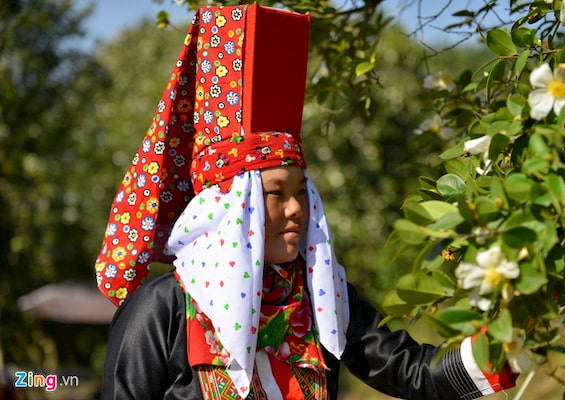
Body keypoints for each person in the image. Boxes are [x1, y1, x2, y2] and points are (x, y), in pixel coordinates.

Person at [94, 4, 518, 399]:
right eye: (276, 194)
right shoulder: (164, 306)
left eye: (302, 193)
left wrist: (509, 341)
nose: (297, 209)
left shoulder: (321, 294)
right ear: (227, 211)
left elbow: (415, 372)